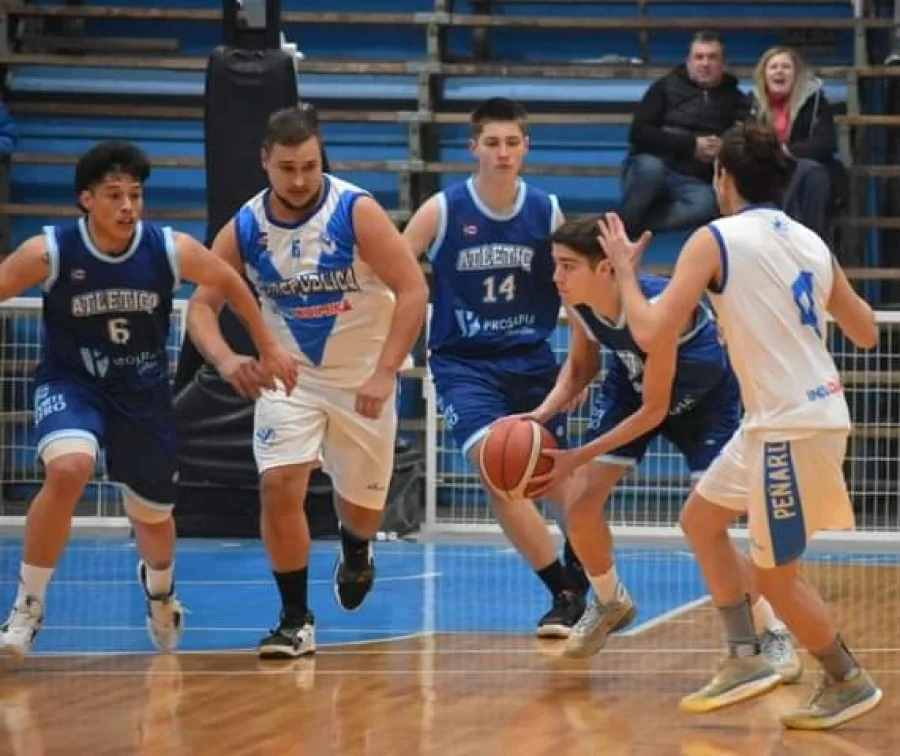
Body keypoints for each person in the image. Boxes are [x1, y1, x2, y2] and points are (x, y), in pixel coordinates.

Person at [598, 123, 883, 729]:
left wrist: (624, 270)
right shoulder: (808, 240)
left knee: (776, 579)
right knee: (701, 519)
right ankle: (744, 655)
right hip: (789, 417)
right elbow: (867, 332)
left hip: (790, 424)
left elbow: (650, 333)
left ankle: (845, 678)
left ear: (721, 179)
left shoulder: (714, 238)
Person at [0, 140, 297, 658]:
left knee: (154, 520)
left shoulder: (167, 248)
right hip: (73, 384)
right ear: (85, 200)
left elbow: (229, 280)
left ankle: (161, 595)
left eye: (135, 195)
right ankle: (28, 605)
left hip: (142, 394)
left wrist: (267, 346)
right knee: (69, 469)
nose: (128, 207)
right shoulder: (48, 252)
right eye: (114, 195)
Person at [187, 106, 428, 659]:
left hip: (362, 380)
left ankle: (357, 548)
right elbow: (201, 306)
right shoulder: (245, 227)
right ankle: (295, 619)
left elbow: (413, 289)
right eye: (288, 168)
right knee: (279, 486)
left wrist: (387, 371)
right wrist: (228, 361)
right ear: (266, 162)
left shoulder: (355, 212)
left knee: (361, 512)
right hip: (288, 380)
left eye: (310, 167)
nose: (299, 180)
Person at [522, 216, 800, 680]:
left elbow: (654, 412)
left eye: (568, 266)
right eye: (555, 265)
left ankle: (770, 630)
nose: (556, 277)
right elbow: (579, 369)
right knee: (580, 503)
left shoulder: (660, 307)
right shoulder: (581, 306)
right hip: (633, 391)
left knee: (706, 525)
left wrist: (578, 455)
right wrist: (540, 415)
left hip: (704, 403)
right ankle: (610, 599)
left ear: (606, 269)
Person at [403, 97, 589, 638]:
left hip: (532, 362)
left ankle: (581, 572)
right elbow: (392, 266)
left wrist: (581, 366)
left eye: (512, 143)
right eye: (493, 143)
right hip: (465, 365)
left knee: (560, 478)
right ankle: (562, 590)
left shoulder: (547, 211)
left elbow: (576, 295)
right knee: (500, 472)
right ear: (474, 148)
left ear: (526, 148)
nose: (503, 153)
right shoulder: (442, 211)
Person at [618, 31, 746, 237]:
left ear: (723, 64)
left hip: (692, 179)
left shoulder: (736, 98)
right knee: (651, 170)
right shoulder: (664, 87)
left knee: (707, 205)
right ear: (688, 62)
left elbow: (741, 140)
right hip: (650, 165)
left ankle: (632, 225)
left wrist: (722, 148)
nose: (705, 63)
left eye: (712, 57)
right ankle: (619, 230)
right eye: (699, 57)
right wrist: (691, 145)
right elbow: (639, 133)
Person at [745, 46, 842, 247]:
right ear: (764, 74)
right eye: (773, 67)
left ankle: (813, 246)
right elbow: (743, 142)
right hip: (766, 169)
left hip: (805, 170)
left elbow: (826, 142)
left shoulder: (815, 102)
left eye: (786, 67)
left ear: (796, 75)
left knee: (810, 172)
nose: (779, 71)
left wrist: (788, 152)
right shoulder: (751, 104)